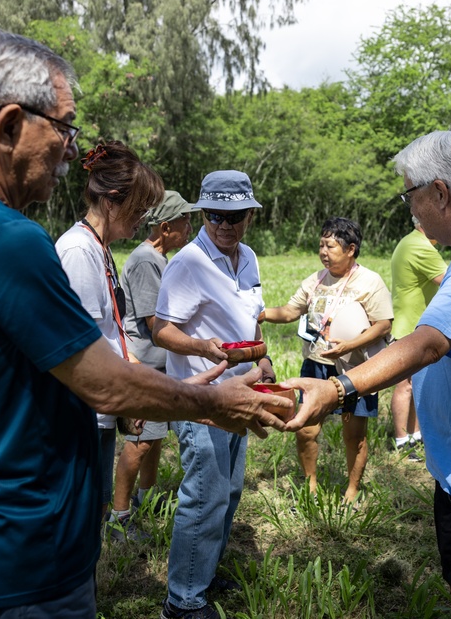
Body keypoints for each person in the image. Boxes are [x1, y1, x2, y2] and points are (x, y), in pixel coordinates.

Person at [0, 29, 287, 618]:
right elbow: (103, 381)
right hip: (23, 547)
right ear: (9, 125)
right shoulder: (2, 239)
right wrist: (212, 402)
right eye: (64, 128)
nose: (73, 152)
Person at [283, 129, 451, 619]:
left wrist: (339, 387)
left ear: (440, 193)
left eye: (410, 194)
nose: (410, 208)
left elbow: (427, 343)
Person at [152, 170, 276, 619]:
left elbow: (253, 315)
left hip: (242, 393)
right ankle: (183, 600)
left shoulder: (250, 258)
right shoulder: (188, 262)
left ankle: (201, 573)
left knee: (230, 491)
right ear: (203, 214)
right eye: (215, 216)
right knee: (204, 496)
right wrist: (202, 347)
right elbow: (161, 330)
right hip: (202, 398)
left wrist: (263, 360)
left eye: (235, 216)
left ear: (249, 216)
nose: (225, 225)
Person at [55, 141, 162, 540]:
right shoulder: (79, 252)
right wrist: (126, 394)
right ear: (113, 203)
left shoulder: (99, 249)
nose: (142, 221)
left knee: (93, 512)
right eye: (139, 210)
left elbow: (111, 331)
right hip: (83, 411)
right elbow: (82, 347)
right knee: (82, 517)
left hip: (100, 406)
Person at [260, 217, 392, 504]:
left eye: (330, 246)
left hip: (356, 368)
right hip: (317, 365)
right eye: (321, 244)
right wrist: (258, 313)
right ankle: (309, 486)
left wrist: (350, 345)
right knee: (306, 428)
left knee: (353, 434)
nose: (323, 251)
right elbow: (289, 311)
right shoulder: (316, 280)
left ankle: (352, 490)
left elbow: (383, 325)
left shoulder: (369, 282)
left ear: (351, 249)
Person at [114, 190, 196, 533]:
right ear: (165, 227)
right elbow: (153, 323)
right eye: (184, 220)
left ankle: (146, 497)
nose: (190, 226)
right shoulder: (147, 260)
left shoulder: (159, 259)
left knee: (156, 436)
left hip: (157, 364)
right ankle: (119, 516)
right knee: (140, 441)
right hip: (144, 364)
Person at [388, 216, 446, 459]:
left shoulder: (410, 242)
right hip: (410, 327)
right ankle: (402, 441)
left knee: (416, 385)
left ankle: (415, 437)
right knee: (406, 386)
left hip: (411, 324)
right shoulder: (421, 247)